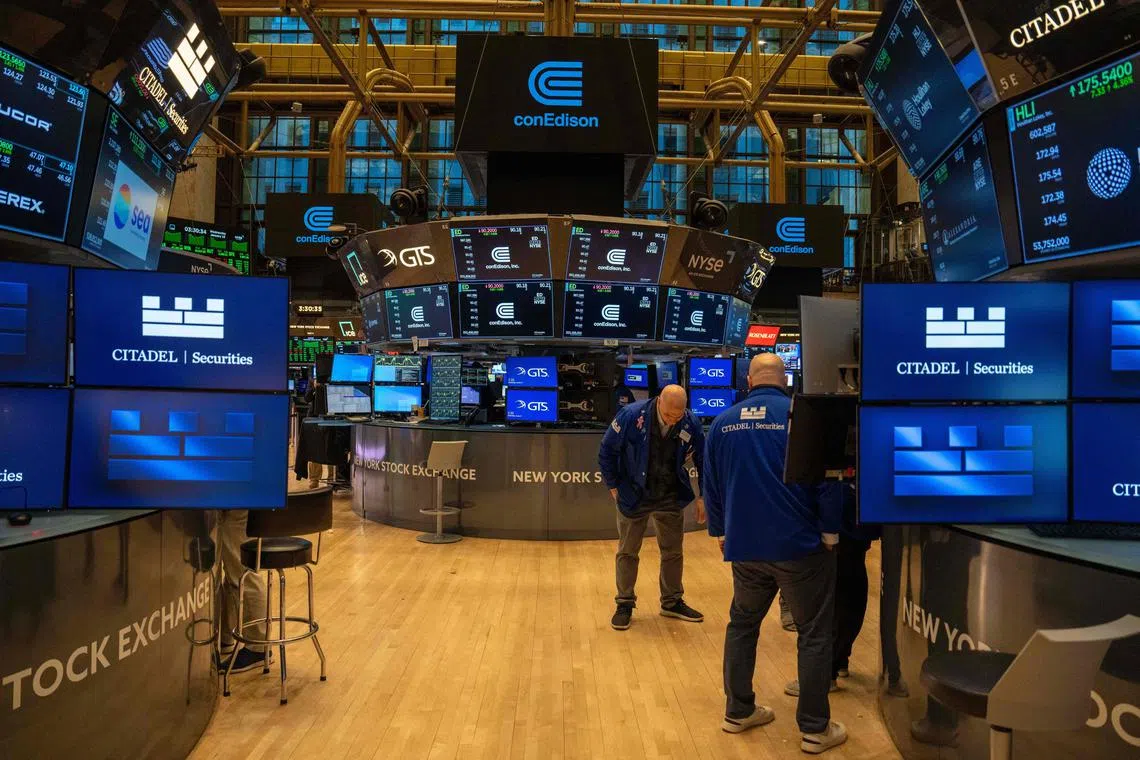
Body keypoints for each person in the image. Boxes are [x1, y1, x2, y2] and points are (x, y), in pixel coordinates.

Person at [703, 354, 847, 754]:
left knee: (742, 625)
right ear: (785, 381)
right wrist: (831, 532)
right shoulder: (805, 417)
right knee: (814, 634)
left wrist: (720, 531)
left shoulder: (722, 423)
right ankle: (815, 728)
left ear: (749, 381)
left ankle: (738, 711)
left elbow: (712, 485)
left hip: (745, 548)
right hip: (800, 549)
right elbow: (829, 481)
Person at [598, 383, 705, 631]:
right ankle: (624, 602)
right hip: (634, 494)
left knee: (673, 551)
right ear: (659, 402)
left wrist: (703, 496)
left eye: (678, 415)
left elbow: (702, 459)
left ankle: (672, 601)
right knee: (628, 551)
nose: (673, 420)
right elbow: (606, 450)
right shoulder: (630, 415)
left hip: (669, 493)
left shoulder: (690, 422)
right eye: (669, 415)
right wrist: (613, 485)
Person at [218, 510, 269, 672]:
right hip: (242, 495)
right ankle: (225, 636)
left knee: (242, 574)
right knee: (234, 569)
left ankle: (257, 646)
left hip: (235, 498)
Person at [304, 376, 330, 488]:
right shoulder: (312, 381)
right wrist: (314, 387)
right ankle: (314, 479)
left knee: (331, 447)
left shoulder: (334, 379)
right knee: (315, 449)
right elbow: (307, 398)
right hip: (314, 418)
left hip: (331, 416)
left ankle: (332, 479)